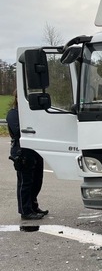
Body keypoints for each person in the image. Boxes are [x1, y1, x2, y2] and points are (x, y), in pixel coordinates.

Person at [6, 90, 47, 220]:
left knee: (37, 180)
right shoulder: (13, 114)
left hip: (34, 149)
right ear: (17, 98)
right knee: (25, 182)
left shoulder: (32, 114)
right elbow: (19, 131)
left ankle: (33, 206)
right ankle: (25, 210)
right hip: (21, 151)